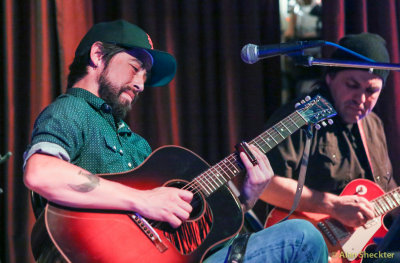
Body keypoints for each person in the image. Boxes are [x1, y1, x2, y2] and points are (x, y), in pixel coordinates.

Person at [23, 20, 328, 262]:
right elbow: (41, 173)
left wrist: (247, 195)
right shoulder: (71, 110)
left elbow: (193, 240)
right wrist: (144, 200)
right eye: (135, 67)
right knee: (302, 237)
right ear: (98, 55)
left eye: (146, 74)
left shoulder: (138, 146)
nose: (142, 84)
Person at [260, 33, 399, 261]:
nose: (361, 99)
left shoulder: (374, 124)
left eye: (371, 91)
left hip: (363, 249)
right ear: (330, 78)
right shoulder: (303, 116)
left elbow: (384, 186)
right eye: (352, 85)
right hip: (311, 246)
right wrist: (333, 205)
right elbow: (266, 184)